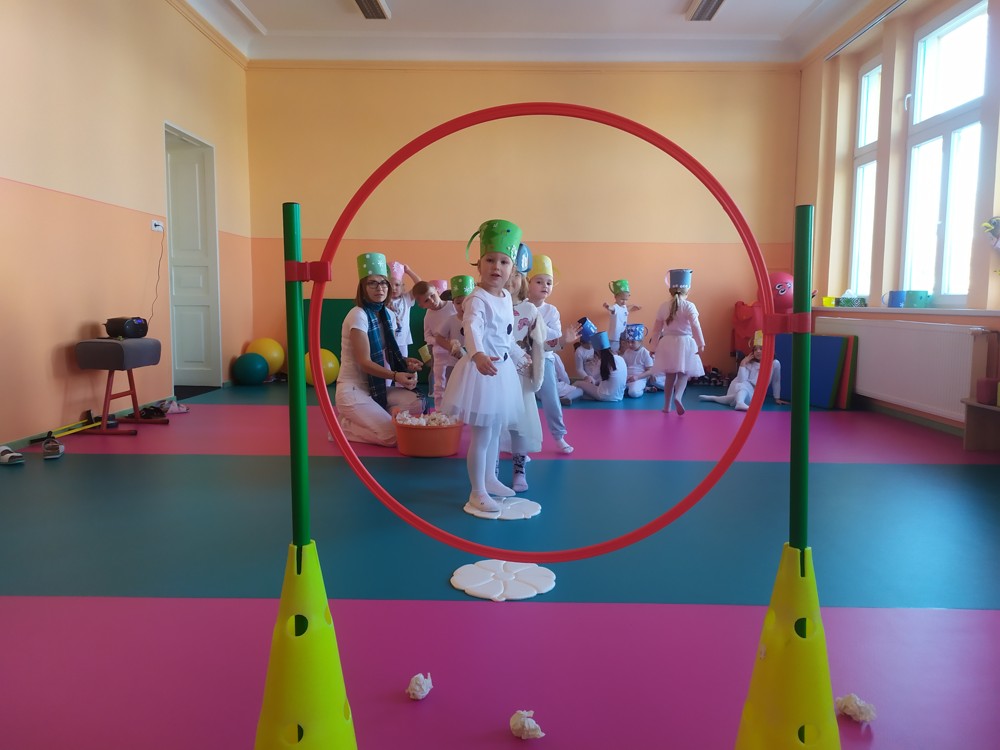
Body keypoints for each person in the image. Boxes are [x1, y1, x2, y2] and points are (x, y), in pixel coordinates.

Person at [440, 219, 525, 514]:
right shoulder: (477, 298)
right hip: (481, 371)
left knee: (495, 430)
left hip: (501, 371)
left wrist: (517, 354)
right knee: (482, 434)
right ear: (479, 264)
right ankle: (477, 491)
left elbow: (505, 334)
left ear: (512, 269)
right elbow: (472, 326)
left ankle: (489, 478)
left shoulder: (505, 297)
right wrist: (476, 354)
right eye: (490, 260)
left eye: (504, 261)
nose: (496, 267)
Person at [334, 252, 424, 446]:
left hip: (375, 388)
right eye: (372, 283)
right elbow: (364, 362)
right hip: (351, 390)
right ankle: (343, 428)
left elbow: (389, 353)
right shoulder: (358, 315)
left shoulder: (387, 315)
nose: (379, 288)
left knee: (417, 403)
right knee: (395, 436)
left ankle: (374, 417)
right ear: (363, 288)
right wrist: (395, 376)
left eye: (383, 283)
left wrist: (406, 363)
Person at [526, 254, 579, 454]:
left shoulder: (551, 311)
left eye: (549, 282)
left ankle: (559, 436)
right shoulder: (519, 306)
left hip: (544, 359)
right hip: (521, 360)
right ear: (528, 282)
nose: (545, 286)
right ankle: (514, 439)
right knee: (520, 400)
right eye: (539, 281)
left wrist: (537, 323)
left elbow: (553, 339)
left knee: (551, 397)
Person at [500, 261, 545, 492]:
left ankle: (519, 469)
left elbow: (538, 345)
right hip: (496, 374)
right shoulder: (492, 304)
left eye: (516, 275)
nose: (511, 279)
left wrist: (537, 375)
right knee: (494, 424)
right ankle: (491, 471)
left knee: (519, 424)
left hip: (520, 375)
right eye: (509, 274)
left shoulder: (530, 310)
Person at [650, 268, 705, 415]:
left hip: (667, 342)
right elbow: (696, 326)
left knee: (669, 375)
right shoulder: (689, 306)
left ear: (670, 290)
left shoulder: (663, 306)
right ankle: (678, 397)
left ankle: (666, 406)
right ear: (687, 290)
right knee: (683, 374)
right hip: (685, 343)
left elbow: (656, 330)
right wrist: (701, 343)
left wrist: (653, 346)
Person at [700, 332, 787, 411]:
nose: (758, 351)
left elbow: (776, 380)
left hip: (753, 392)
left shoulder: (774, 363)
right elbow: (741, 380)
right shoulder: (750, 363)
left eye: (761, 349)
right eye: (755, 349)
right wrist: (743, 364)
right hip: (740, 385)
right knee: (742, 387)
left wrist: (777, 398)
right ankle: (739, 403)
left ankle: (714, 398)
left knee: (732, 398)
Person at [413, 279, 456, 409]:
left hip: (456, 352)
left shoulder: (453, 306)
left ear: (437, 291)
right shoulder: (428, 316)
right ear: (421, 305)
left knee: (456, 381)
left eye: (432, 295)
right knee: (439, 384)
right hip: (440, 354)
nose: (431, 301)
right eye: (426, 300)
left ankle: (456, 410)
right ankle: (439, 410)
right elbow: (427, 336)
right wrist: (438, 341)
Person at [577, 331, 627, 402]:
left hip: (604, 395)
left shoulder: (602, 361)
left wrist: (594, 364)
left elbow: (593, 378)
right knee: (586, 392)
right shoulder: (620, 358)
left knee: (578, 383)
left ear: (597, 351)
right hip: (619, 396)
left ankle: (566, 397)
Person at [386, 262, 422, 356]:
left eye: (397, 285)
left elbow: (420, 285)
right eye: (390, 285)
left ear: (402, 286)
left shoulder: (406, 299)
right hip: (386, 341)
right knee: (387, 364)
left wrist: (409, 271)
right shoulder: (383, 300)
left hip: (402, 341)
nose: (393, 288)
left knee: (403, 362)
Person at [620, 323, 661, 398]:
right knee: (616, 389)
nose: (630, 344)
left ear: (640, 341)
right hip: (627, 378)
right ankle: (637, 388)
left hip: (639, 378)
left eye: (633, 342)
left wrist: (637, 377)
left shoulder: (645, 353)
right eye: (628, 342)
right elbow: (623, 365)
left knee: (633, 393)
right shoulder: (627, 351)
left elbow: (650, 371)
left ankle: (643, 388)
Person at [603, 279, 641, 353]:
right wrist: (608, 307)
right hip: (614, 338)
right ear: (615, 297)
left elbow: (626, 309)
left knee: (622, 352)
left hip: (622, 337)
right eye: (622, 299)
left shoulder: (624, 307)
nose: (624, 302)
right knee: (613, 353)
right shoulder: (616, 307)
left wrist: (634, 306)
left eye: (626, 300)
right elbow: (612, 309)